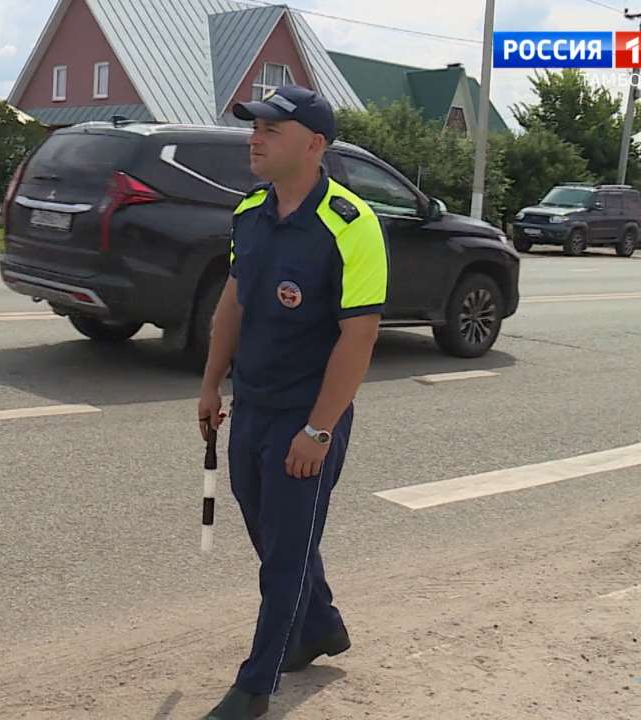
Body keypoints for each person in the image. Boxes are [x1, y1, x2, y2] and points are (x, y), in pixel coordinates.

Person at [196, 85, 389, 720]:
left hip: (307, 415)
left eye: (271, 130)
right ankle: (321, 626)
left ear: (313, 145)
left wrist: (320, 430)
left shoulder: (352, 225)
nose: (255, 139)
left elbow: (359, 337)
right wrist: (211, 383)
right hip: (251, 405)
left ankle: (256, 685)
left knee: (283, 555)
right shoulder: (249, 212)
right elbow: (233, 304)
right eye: (254, 128)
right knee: (274, 533)